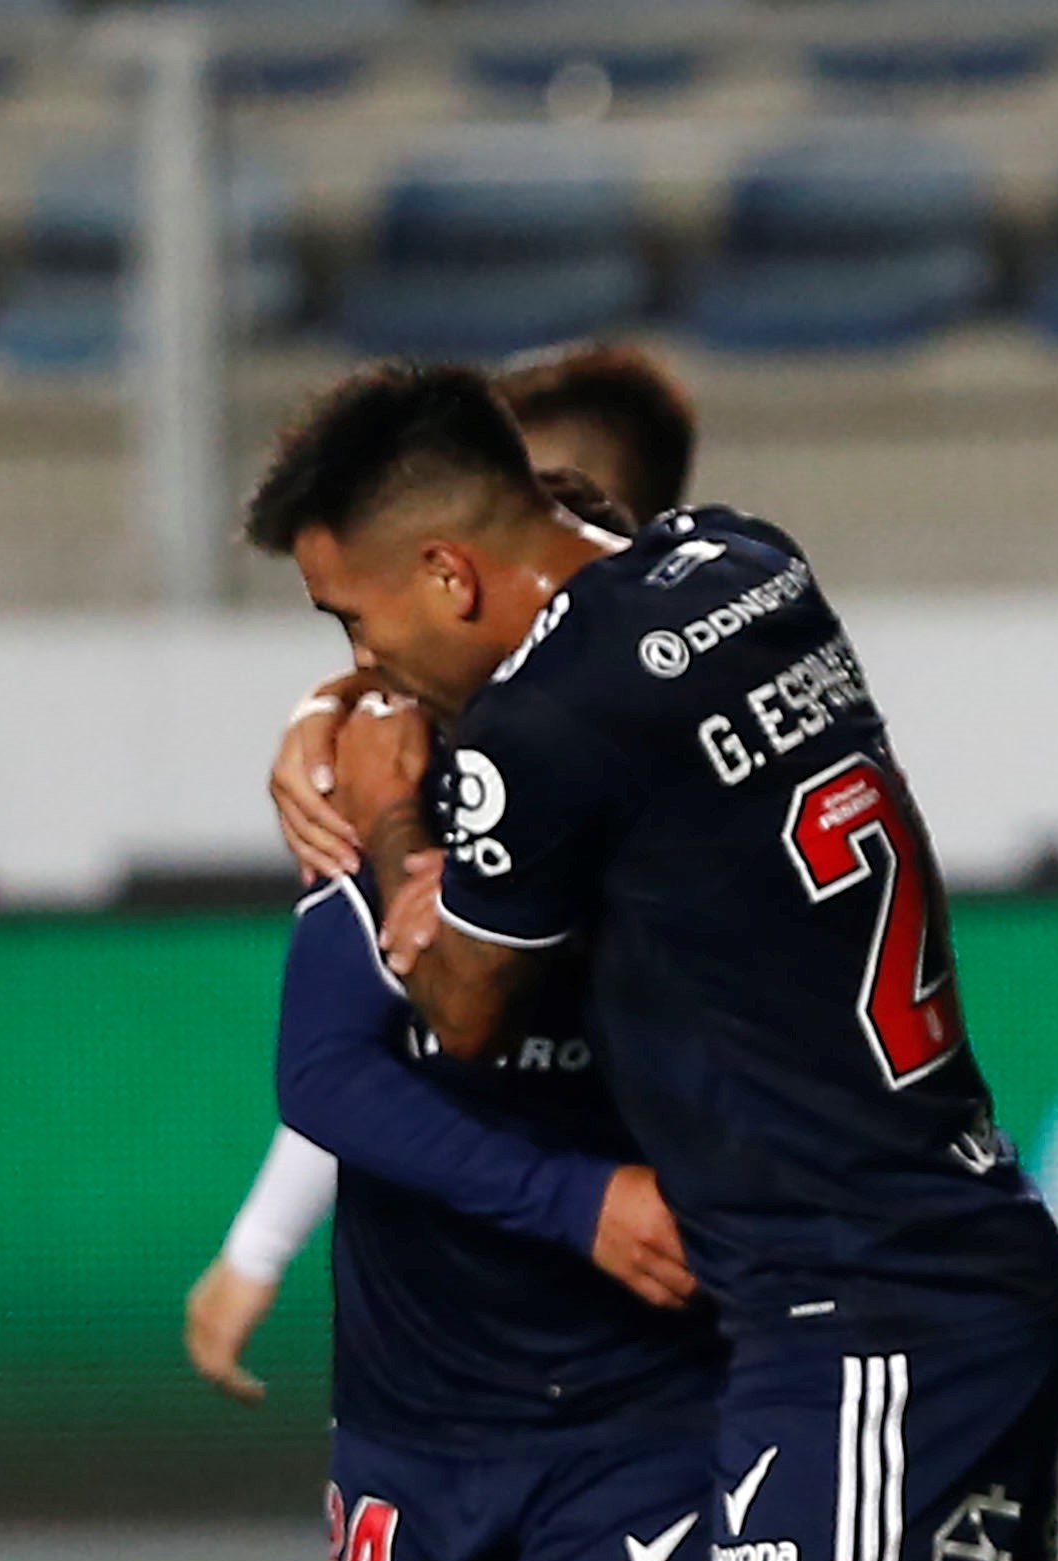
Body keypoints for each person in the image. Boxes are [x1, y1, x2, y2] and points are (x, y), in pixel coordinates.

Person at [241, 362, 1058, 1561]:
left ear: (449, 574)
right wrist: (353, 704)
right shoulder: (747, 566)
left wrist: (388, 819)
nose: (361, 664)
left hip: (850, 1300)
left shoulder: (532, 735)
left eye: (351, 622)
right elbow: (586, 574)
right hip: (966, 1241)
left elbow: (455, 1006)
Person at [274, 686, 726, 1561]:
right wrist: (575, 1200)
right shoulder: (397, 833)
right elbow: (321, 1075)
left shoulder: (676, 857)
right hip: (413, 1441)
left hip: (643, 1428)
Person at [186, 342, 705, 1389]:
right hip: (439, 1385)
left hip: (667, 1365)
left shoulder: (680, 744)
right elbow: (348, 1050)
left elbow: (451, 1014)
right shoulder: (405, 734)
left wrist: (379, 800)